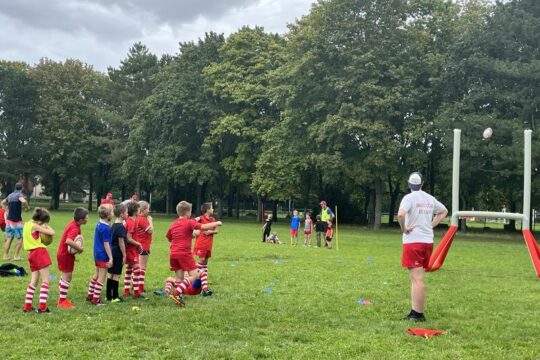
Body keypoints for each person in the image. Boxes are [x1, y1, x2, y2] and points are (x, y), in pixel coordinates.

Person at [397, 172, 447, 322]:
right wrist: (430, 225)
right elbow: (444, 211)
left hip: (413, 242)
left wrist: (404, 228)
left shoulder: (408, 198)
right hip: (427, 242)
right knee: (418, 279)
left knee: (417, 279)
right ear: (422, 183)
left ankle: (418, 314)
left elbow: (400, 214)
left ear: (409, 185)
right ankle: (415, 311)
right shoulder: (429, 198)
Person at [167, 201, 222, 307]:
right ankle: (177, 292)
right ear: (188, 212)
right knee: (194, 275)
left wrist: (189, 235)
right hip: (184, 253)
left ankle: (179, 296)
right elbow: (203, 227)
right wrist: (217, 223)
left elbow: (170, 237)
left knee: (179, 277)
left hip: (173, 253)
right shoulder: (189, 222)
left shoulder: (173, 223)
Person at [22, 208, 55, 313]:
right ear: (40, 221)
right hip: (40, 252)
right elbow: (52, 232)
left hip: (31, 254)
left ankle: (27, 306)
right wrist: (45, 225)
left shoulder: (27, 224)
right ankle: (42, 307)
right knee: (46, 280)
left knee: (34, 281)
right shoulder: (36, 226)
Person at [57, 207, 88, 309]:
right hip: (65, 255)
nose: (87, 219)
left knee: (65, 276)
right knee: (67, 277)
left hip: (63, 253)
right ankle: (62, 302)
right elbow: (69, 241)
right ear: (80, 220)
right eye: (86, 217)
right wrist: (80, 248)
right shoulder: (74, 227)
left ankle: (61, 298)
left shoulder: (74, 224)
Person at [86, 205, 113, 305]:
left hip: (97, 254)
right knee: (102, 276)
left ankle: (90, 295)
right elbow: (106, 244)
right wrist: (110, 257)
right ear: (108, 215)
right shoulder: (106, 228)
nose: (113, 214)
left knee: (96, 274)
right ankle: (95, 299)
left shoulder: (98, 224)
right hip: (103, 255)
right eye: (112, 213)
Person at [194, 202, 218, 296]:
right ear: (207, 209)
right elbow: (192, 222)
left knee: (205, 263)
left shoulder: (213, 220)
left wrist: (210, 232)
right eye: (212, 208)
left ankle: (204, 285)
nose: (213, 209)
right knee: (201, 261)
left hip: (208, 245)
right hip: (201, 244)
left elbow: (216, 231)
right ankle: (190, 276)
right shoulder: (201, 218)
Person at [3, 183, 30, 261]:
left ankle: (5, 256)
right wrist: (27, 208)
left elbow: (3, 202)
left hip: (9, 221)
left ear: (15, 188)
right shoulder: (19, 194)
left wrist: (7, 210)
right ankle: (16, 256)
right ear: (21, 188)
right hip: (17, 221)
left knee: (9, 238)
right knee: (20, 238)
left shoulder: (10, 195)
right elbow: (23, 201)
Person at [106, 204, 127, 302]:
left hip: (111, 251)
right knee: (116, 275)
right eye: (126, 212)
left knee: (110, 274)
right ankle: (115, 296)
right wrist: (124, 255)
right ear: (122, 214)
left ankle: (108, 296)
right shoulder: (121, 227)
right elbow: (121, 242)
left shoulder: (113, 225)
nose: (127, 214)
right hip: (118, 253)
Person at [123, 201, 143, 298]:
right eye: (139, 209)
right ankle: (136, 293)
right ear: (136, 211)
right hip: (131, 250)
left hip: (131, 249)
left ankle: (126, 291)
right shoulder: (131, 222)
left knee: (129, 270)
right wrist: (138, 244)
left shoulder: (129, 220)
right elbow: (128, 238)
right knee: (137, 269)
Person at [135, 201, 153, 296]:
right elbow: (150, 230)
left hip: (139, 245)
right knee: (142, 267)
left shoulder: (137, 218)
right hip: (144, 246)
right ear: (143, 210)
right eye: (148, 209)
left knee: (138, 266)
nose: (149, 211)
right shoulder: (142, 219)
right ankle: (140, 287)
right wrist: (150, 220)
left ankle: (135, 286)